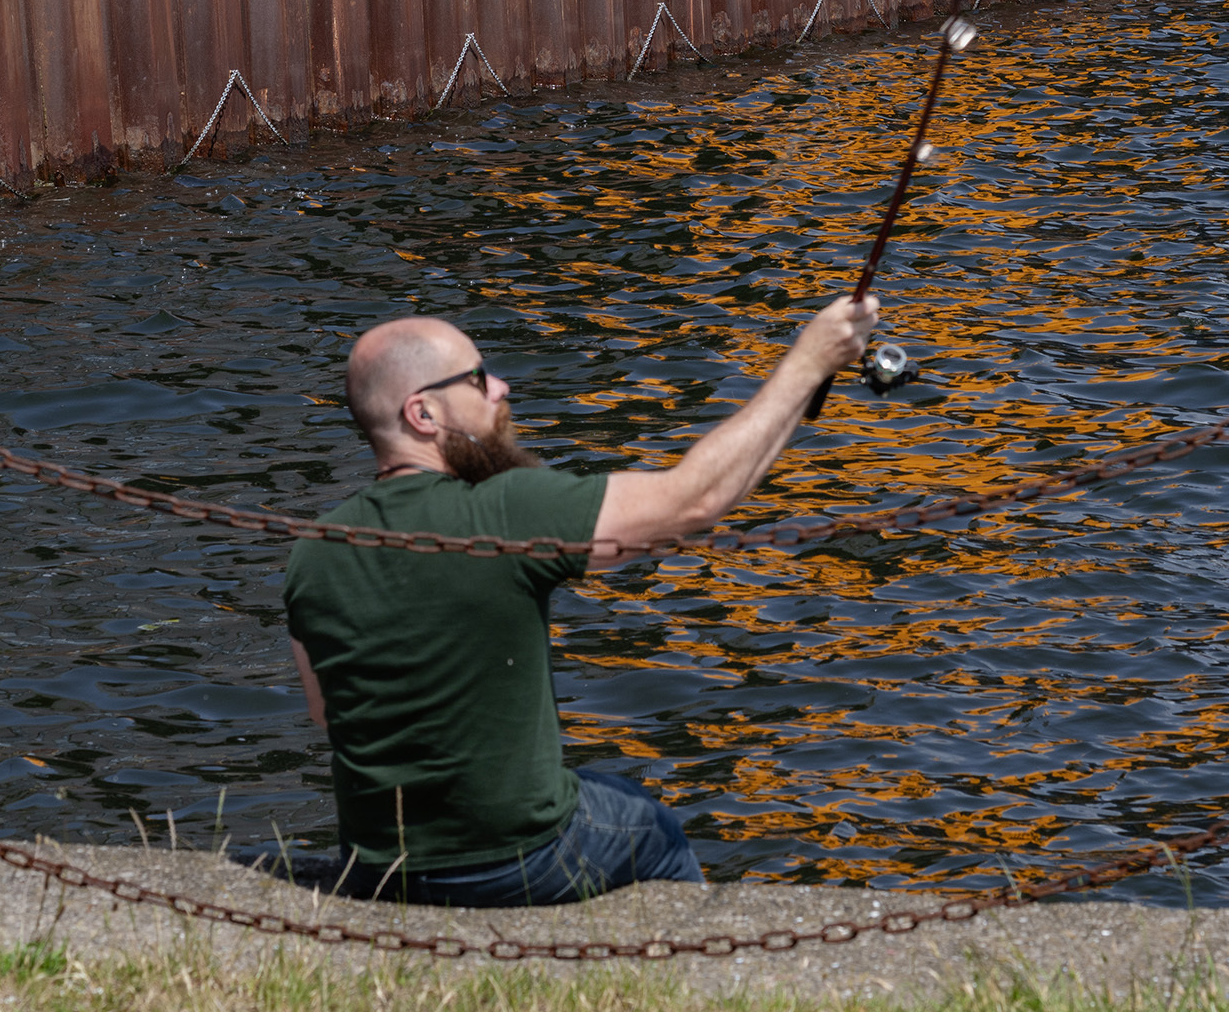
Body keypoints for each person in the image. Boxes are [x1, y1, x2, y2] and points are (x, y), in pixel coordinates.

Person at [277, 295, 879, 906]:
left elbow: (327, 713)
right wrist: (807, 363)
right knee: (646, 821)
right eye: (478, 379)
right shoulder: (505, 508)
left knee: (597, 789)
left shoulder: (312, 552)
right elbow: (693, 501)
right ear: (423, 412)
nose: (501, 388)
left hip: (381, 869)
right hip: (517, 861)